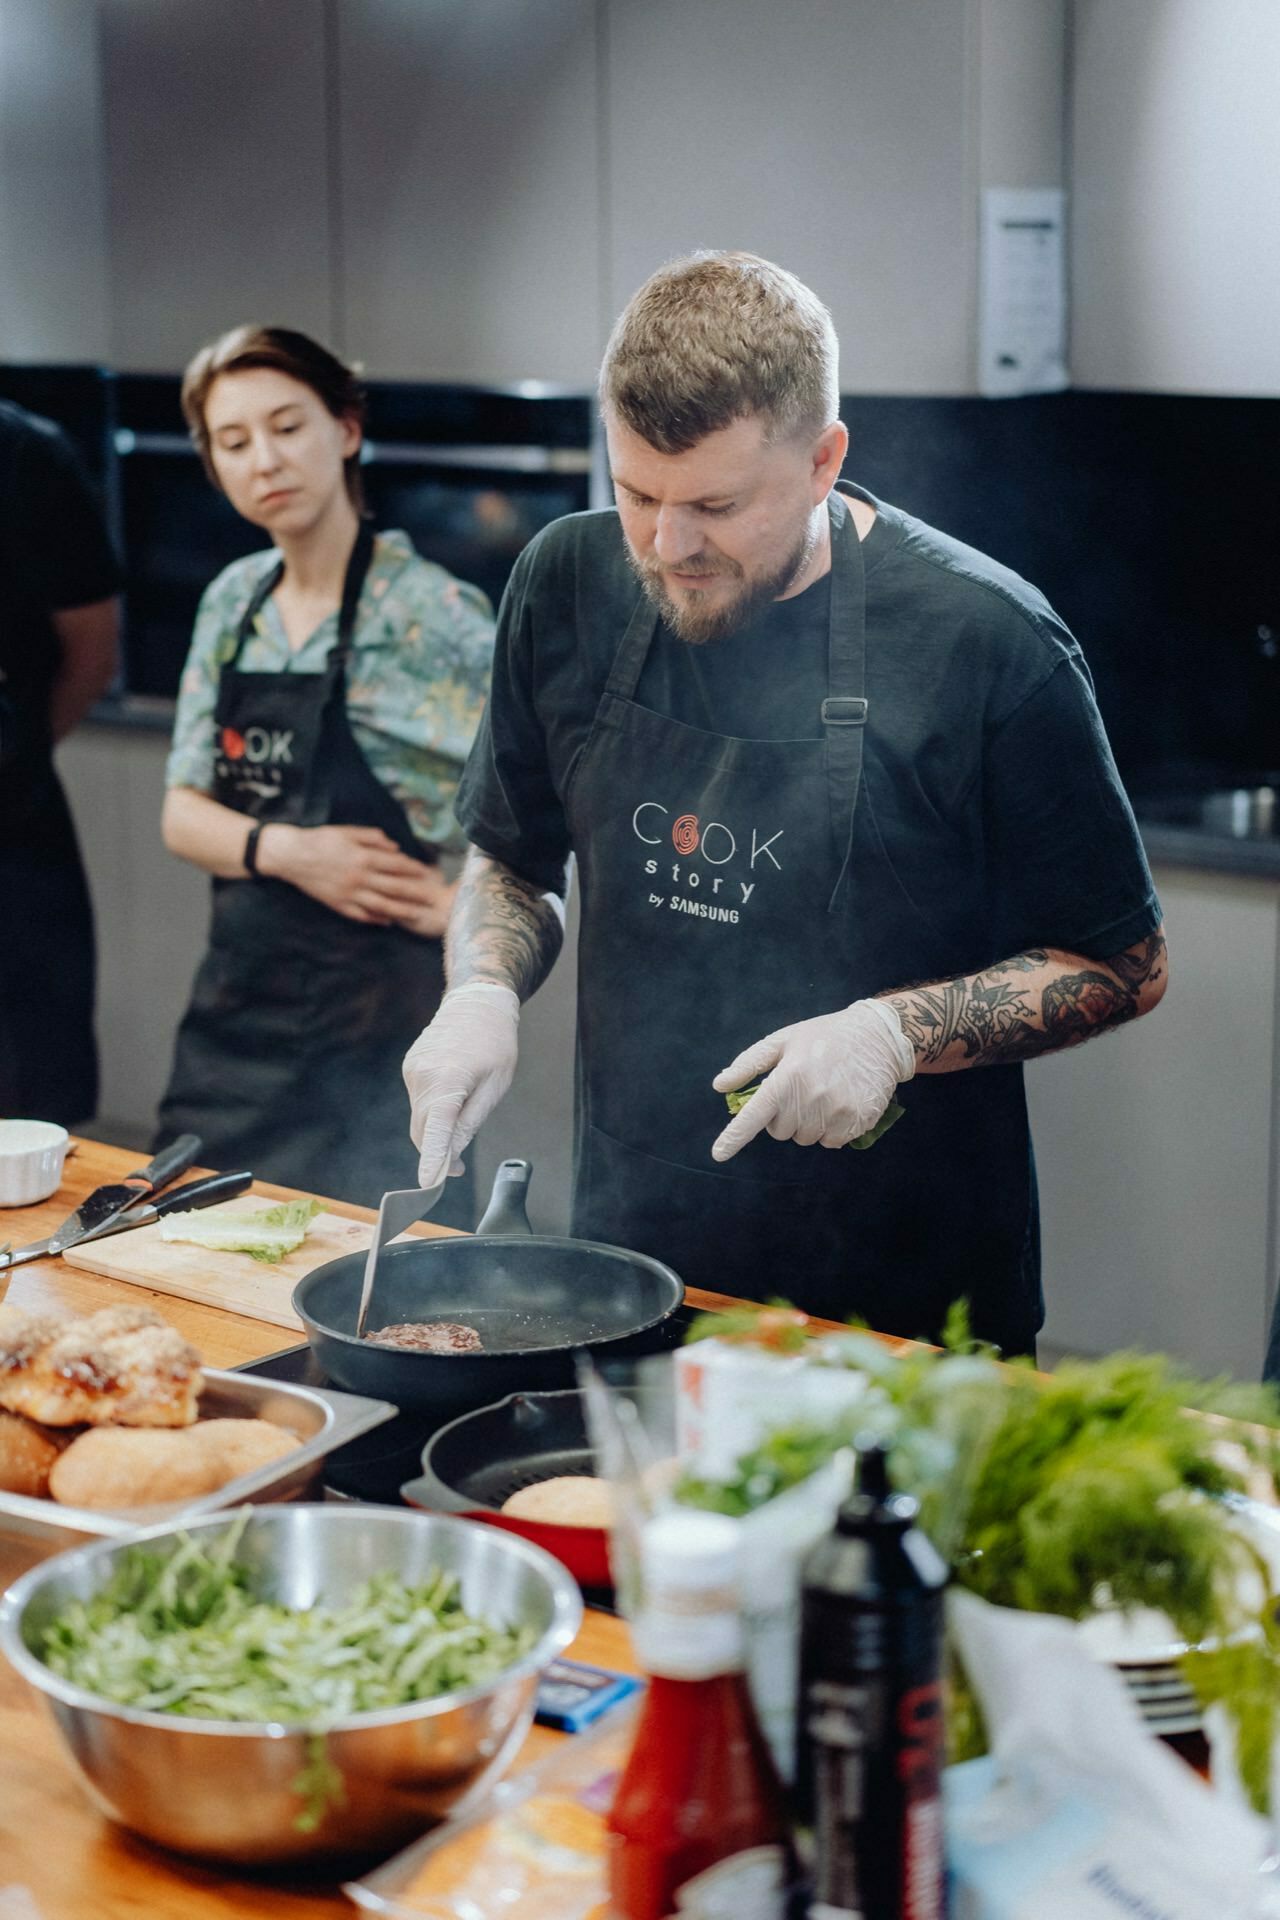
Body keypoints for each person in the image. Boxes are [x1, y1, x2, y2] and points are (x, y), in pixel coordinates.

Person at [401, 253, 1168, 1354]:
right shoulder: (564, 580)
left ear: (822, 461)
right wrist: (479, 989)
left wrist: (892, 1035)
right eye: (636, 495)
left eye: (714, 505)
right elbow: (515, 858)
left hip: (903, 1299)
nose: (668, 548)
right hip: (635, 1258)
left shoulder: (987, 642)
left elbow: (1122, 965)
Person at [155, 326, 493, 1215]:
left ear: (345, 428)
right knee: (176, 1253)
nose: (264, 459)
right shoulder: (234, 601)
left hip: (377, 1043)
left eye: (287, 426)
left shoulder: (432, 614)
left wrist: (462, 907)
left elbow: (544, 808)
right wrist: (291, 851)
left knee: (385, 1301)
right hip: (235, 1025)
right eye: (234, 442)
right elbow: (183, 816)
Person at [0, 398, 121, 1127]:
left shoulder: (25, 458)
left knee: (31, 1114)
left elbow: (90, 654)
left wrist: (17, 760)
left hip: (13, 843)